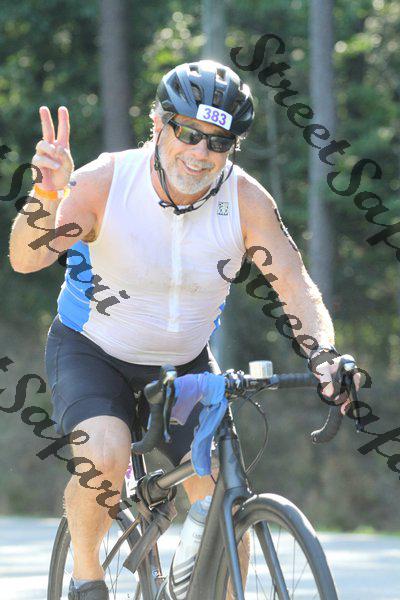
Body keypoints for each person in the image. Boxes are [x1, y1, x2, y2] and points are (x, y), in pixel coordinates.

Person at [9, 60, 356, 600]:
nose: (199, 153)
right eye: (188, 133)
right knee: (105, 456)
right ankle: (86, 578)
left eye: (218, 143)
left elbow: (295, 285)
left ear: (232, 148)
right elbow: (25, 259)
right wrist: (47, 197)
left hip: (183, 363)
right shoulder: (105, 182)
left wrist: (325, 355)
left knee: (222, 497)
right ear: (158, 125)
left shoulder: (245, 201)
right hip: (93, 350)